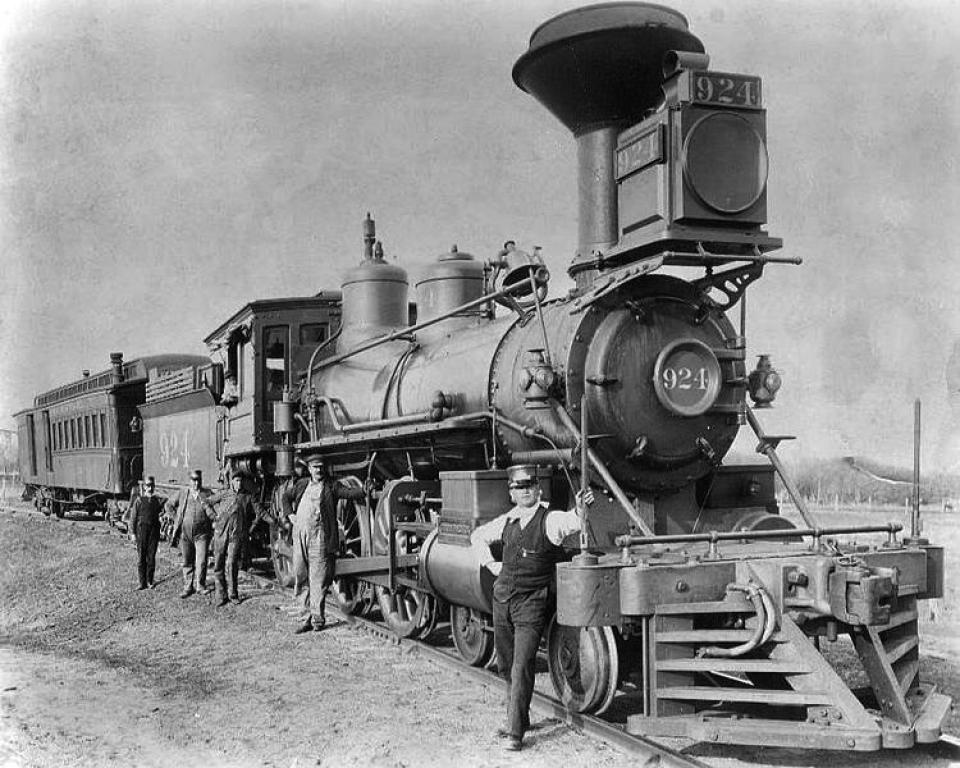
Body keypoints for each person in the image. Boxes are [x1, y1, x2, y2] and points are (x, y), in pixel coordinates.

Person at [470, 465, 592, 752]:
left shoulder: (550, 520)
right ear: (511, 493)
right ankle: (519, 718)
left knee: (522, 665)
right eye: (519, 486)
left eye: (530, 485)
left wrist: (582, 509)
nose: (525, 490)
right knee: (505, 665)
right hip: (502, 602)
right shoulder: (507, 520)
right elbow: (477, 536)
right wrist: (491, 565)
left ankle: (515, 733)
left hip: (531, 604)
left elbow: (574, 521)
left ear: (538, 488)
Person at [291, 453, 366, 633]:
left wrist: (364, 490)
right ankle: (304, 617)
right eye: (315, 467)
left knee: (318, 578)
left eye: (320, 467)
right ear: (309, 469)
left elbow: (348, 493)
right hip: (300, 534)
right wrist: (289, 515)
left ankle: (317, 619)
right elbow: (286, 497)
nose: (318, 470)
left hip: (319, 536)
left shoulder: (331, 486)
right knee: (300, 574)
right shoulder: (301, 484)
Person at [207, 473, 255, 607]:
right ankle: (220, 595)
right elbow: (207, 502)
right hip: (221, 534)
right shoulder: (224, 494)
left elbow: (260, 511)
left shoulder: (246, 496)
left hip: (235, 535)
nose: (239, 484)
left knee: (232, 563)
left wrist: (273, 521)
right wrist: (213, 517)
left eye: (241, 481)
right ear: (232, 482)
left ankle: (233, 594)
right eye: (237, 481)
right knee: (219, 563)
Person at [167, 469, 215, 598]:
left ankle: (200, 585)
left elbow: (216, 507)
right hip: (185, 534)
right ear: (190, 481)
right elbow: (169, 505)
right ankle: (188, 587)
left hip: (202, 534)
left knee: (202, 561)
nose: (196, 483)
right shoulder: (183, 493)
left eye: (198, 480)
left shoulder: (207, 494)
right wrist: (175, 518)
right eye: (194, 480)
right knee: (187, 561)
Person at [129, 476, 167, 591]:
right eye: (147, 486)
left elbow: (165, 506)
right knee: (141, 558)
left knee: (151, 558)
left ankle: (150, 581)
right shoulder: (139, 500)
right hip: (142, 531)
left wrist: (162, 515)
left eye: (151, 486)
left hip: (153, 532)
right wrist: (132, 533)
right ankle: (142, 582)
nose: (149, 488)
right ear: (144, 487)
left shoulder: (157, 501)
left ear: (154, 486)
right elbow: (133, 518)